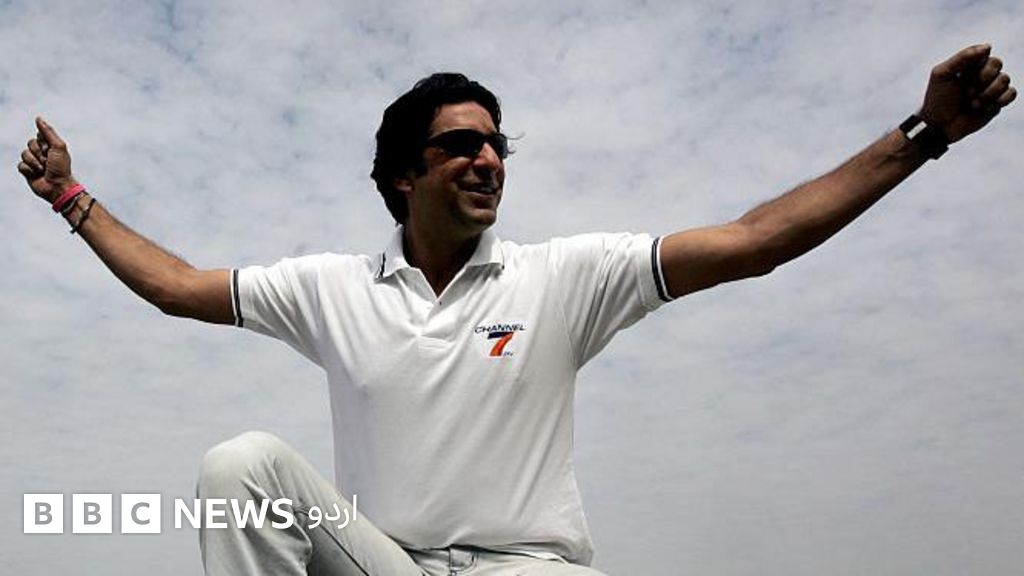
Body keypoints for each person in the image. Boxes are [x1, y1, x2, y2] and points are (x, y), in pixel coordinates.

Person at [17, 44, 1015, 576]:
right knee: (240, 466)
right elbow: (178, 286)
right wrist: (70, 197)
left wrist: (923, 134)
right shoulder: (331, 288)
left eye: (497, 143)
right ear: (404, 176)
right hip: (388, 567)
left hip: (528, 571)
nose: (489, 158)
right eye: (461, 144)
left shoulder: (564, 276)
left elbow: (754, 240)